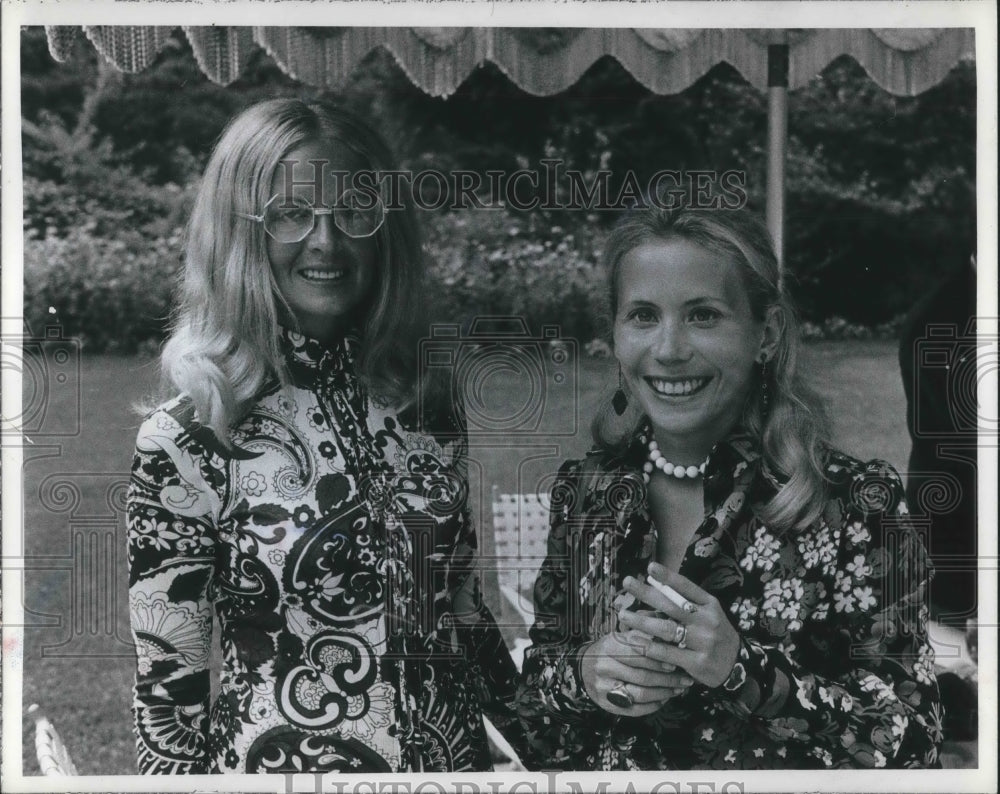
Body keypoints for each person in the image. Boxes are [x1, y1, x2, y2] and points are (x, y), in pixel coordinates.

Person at [126, 98, 524, 774]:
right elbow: (169, 703)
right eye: (290, 213)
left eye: (353, 210)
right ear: (238, 230)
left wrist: (557, 751)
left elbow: (462, 615)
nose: (326, 240)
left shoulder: (423, 402)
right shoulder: (188, 438)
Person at [516, 206, 942, 769]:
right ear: (614, 336)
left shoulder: (857, 504)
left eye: (703, 316)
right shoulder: (587, 495)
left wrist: (742, 669)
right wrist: (582, 674)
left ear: (764, 334)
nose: (668, 349)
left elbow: (913, 738)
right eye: (643, 316)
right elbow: (533, 725)